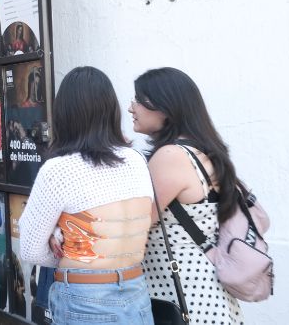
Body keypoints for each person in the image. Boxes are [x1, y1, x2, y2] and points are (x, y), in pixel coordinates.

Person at [19, 66, 154, 325]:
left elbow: (30, 248)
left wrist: (66, 248)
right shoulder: (136, 160)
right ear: (111, 110)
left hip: (84, 299)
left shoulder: (60, 169)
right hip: (136, 293)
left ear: (64, 114)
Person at [131, 67, 245, 324]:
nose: (131, 107)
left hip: (178, 289)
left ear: (166, 108)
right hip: (205, 286)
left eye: (138, 100)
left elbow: (137, 223)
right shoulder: (202, 150)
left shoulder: (171, 156)